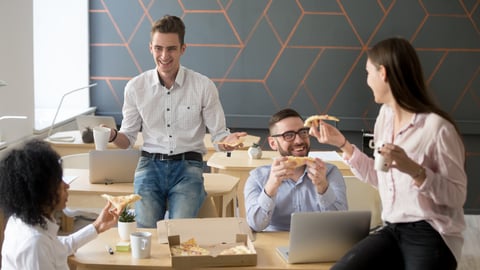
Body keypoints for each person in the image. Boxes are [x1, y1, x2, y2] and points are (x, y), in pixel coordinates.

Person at [310, 37, 467, 269]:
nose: (367, 81)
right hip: (393, 229)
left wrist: (414, 170)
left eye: (368, 73)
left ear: (382, 72)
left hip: (433, 232)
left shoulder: (437, 128)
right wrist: (342, 144)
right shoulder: (385, 117)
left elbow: (456, 196)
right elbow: (379, 178)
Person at [106, 15, 246, 228]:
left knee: (178, 232)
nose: (164, 55)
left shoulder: (203, 86)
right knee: (146, 230)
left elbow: (218, 137)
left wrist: (227, 141)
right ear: (150, 48)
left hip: (188, 167)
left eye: (171, 48)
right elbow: (127, 141)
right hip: (149, 166)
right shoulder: (135, 87)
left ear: (183, 49)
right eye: (158, 48)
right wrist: (113, 135)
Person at [0, 139, 120, 270]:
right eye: (59, 181)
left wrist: (97, 226)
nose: (66, 185)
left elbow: (59, 248)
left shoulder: (19, 220)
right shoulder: (35, 244)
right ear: (40, 190)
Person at [244, 108, 348, 232]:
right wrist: (271, 187)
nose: (299, 140)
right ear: (273, 143)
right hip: (273, 246)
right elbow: (255, 225)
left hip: (318, 244)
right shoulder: (257, 178)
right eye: (288, 135)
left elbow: (340, 225)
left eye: (303, 132)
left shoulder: (330, 173)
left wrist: (323, 187)